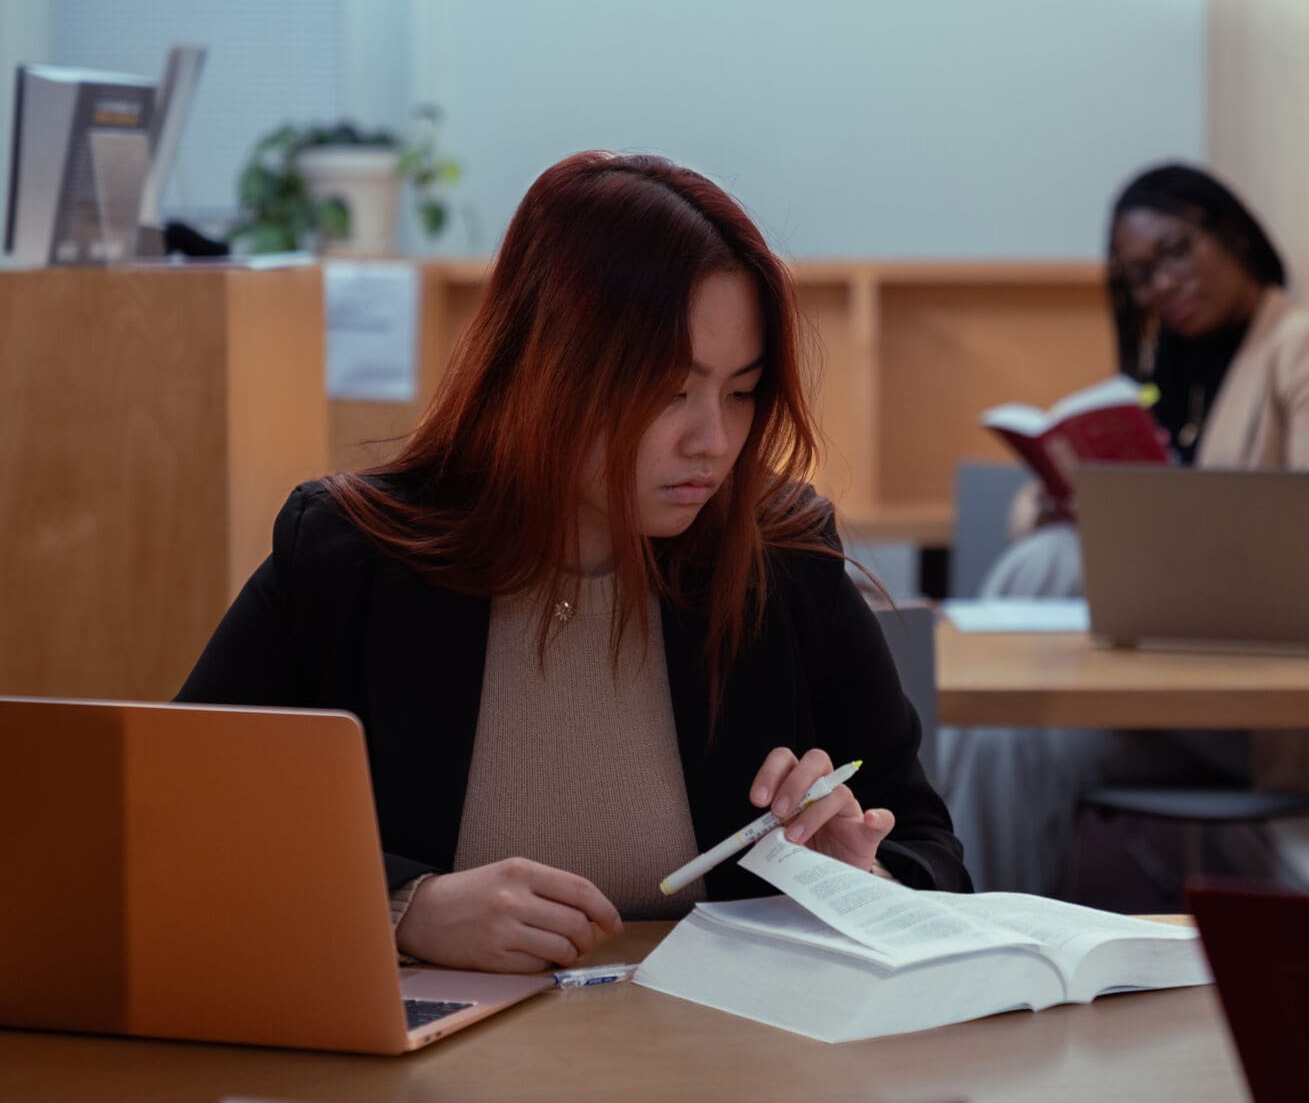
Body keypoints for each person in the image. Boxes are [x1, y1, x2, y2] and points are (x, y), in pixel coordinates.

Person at [177, 151, 968, 973]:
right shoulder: (353, 556)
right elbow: (178, 818)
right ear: (547, 370)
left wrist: (862, 878)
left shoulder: (782, 558)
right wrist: (401, 908)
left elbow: (932, 856)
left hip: (724, 1073)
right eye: (669, 390)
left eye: (740, 393)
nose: (715, 441)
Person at [942, 163, 1309, 898]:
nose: (1160, 285)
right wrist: (1074, 505)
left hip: (1280, 698)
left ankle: (960, 928)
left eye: (1175, 252)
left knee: (1047, 593)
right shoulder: (1168, 374)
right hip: (1173, 681)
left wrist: (1169, 527)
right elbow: (1026, 509)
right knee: (1009, 725)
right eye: (1137, 276)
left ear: (1232, 231)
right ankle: (967, 932)